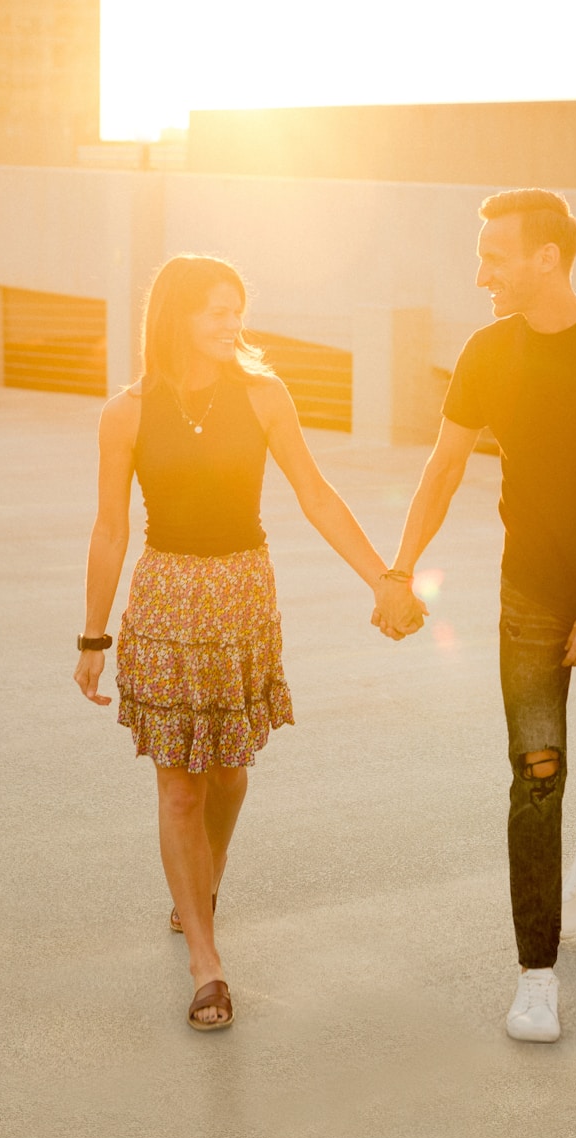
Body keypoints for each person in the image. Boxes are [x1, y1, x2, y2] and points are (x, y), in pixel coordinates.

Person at [73, 254, 424, 1032]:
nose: (232, 323)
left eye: (237, 309)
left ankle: (205, 876)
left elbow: (316, 495)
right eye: (216, 310)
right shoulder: (125, 413)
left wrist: (383, 579)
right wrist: (93, 634)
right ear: (176, 317)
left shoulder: (264, 395)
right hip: (166, 602)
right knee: (180, 788)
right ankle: (206, 963)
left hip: (242, 600)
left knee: (229, 775)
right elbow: (109, 529)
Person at [373, 189, 576, 1043]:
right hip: (531, 596)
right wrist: (399, 571)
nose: (482, 276)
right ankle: (535, 975)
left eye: (494, 258)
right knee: (536, 771)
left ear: (548, 257)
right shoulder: (487, 351)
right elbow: (442, 468)